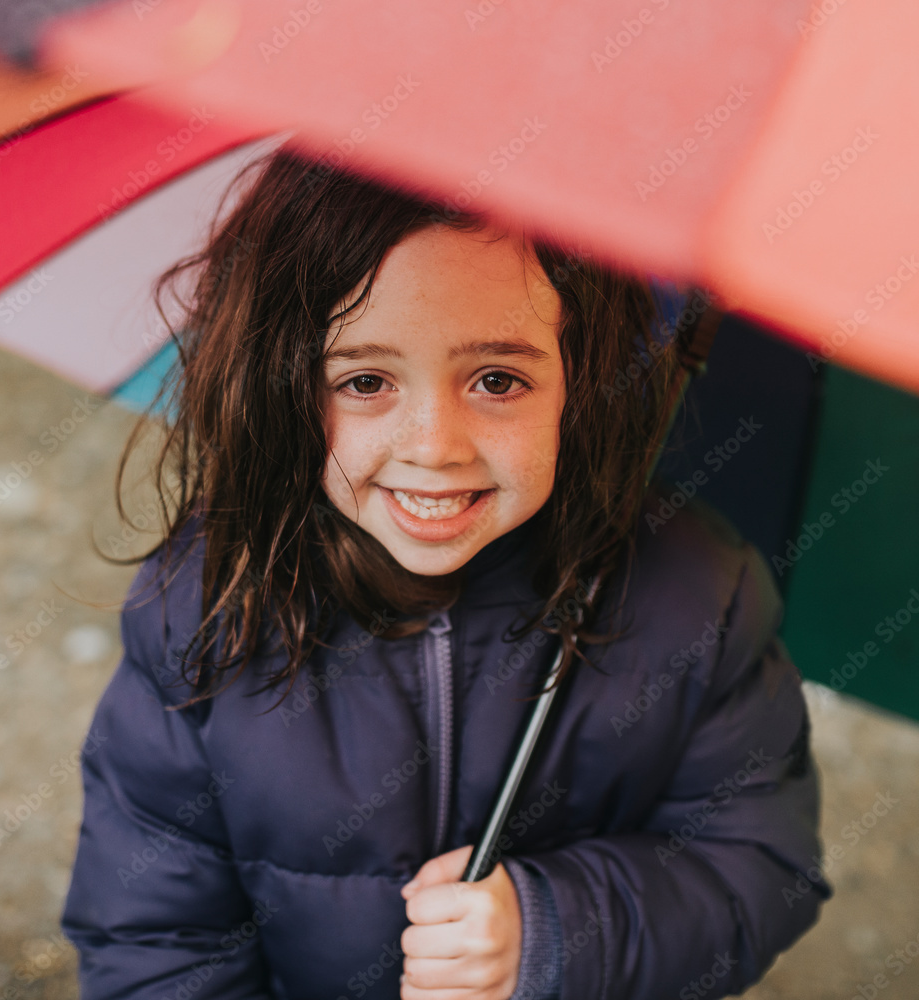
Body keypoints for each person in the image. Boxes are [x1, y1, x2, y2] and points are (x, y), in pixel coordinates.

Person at [61, 137, 830, 1000]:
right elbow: (151, 931)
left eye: (498, 379)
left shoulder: (698, 597)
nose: (434, 447)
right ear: (281, 382)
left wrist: (551, 932)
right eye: (364, 381)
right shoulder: (206, 604)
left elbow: (764, 869)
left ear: (586, 378)